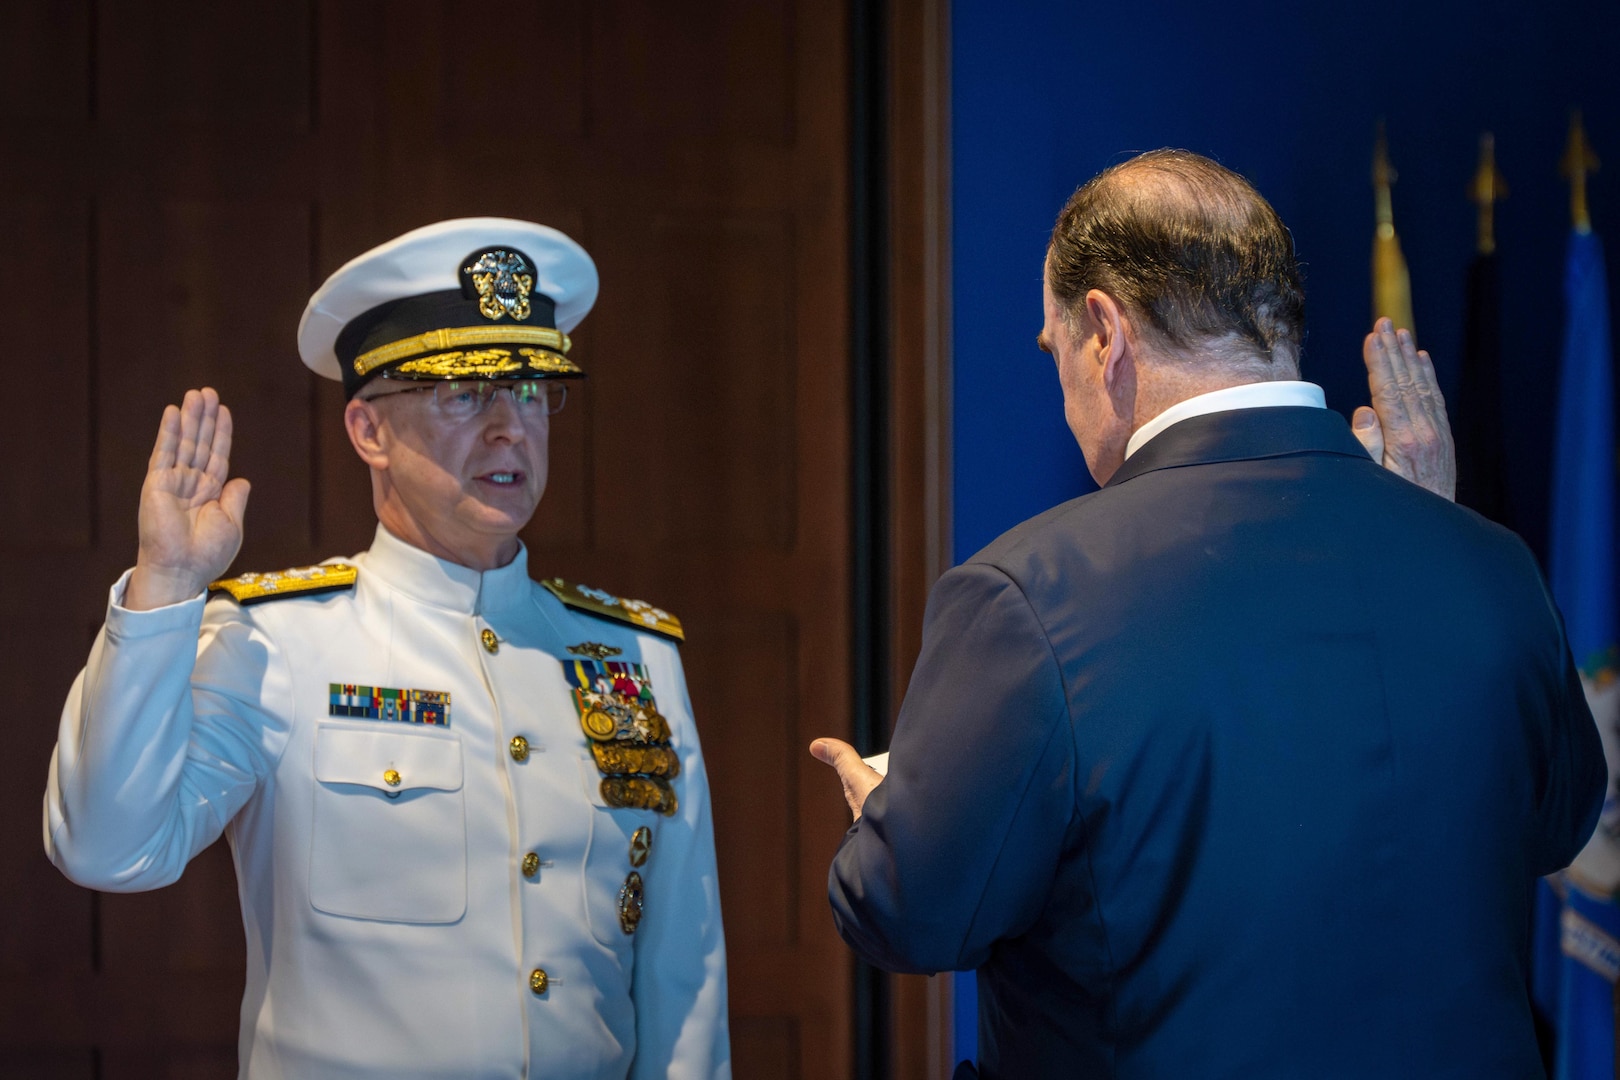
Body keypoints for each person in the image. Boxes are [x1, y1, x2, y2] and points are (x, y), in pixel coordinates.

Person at [811, 150, 1605, 1078]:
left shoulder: (1025, 593)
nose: (1060, 386)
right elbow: (1559, 827)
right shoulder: (1491, 562)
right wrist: (1428, 531)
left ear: (1104, 332)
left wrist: (893, 821)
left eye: (1052, 348)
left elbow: (914, 914)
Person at [44, 219, 729, 1079]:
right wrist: (166, 586)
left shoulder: (636, 657)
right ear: (368, 431)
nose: (510, 427)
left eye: (531, 391)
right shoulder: (279, 641)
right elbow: (106, 847)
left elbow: (683, 975)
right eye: (464, 393)